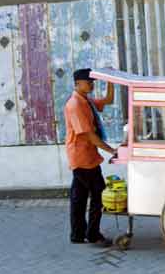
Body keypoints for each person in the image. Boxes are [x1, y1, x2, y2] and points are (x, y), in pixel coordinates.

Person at [65, 68, 117, 247]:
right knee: (99, 193)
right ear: (78, 84)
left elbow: (109, 100)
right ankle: (93, 234)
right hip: (82, 158)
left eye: (92, 82)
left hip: (87, 156)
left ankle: (77, 235)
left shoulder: (86, 101)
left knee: (78, 197)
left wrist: (111, 80)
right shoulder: (75, 105)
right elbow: (89, 135)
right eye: (89, 82)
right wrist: (111, 150)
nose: (91, 85)